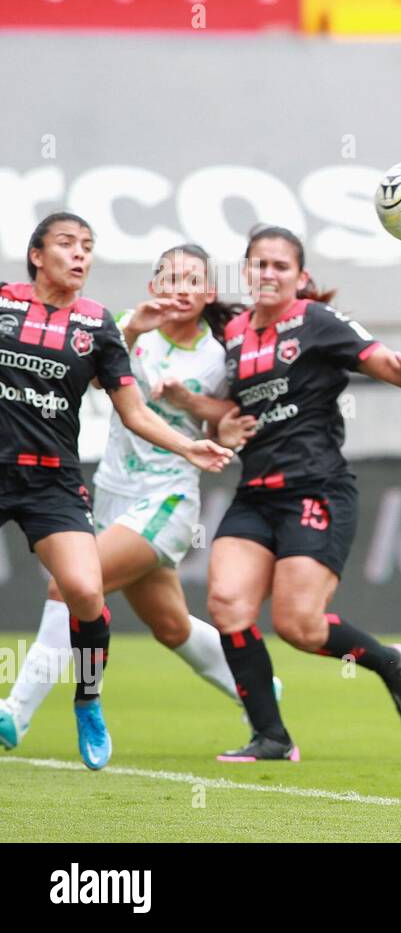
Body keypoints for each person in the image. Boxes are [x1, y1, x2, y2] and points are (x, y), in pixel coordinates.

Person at [0, 244, 263, 753]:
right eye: (169, 279)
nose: (179, 289)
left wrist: (192, 405)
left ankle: (17, 712)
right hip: (111, 494)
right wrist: (134, 329)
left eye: (192, 281)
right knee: (170, 625)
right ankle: (256, 692)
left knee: (70, 586)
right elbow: (89, 373)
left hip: (167, 501)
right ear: (152, 287)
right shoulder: (124, 328)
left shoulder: (217, 355)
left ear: (208, 291)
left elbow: (231, 420)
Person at [207, 225, 401, 762]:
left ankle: (388, 662)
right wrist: (214, 426)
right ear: (246, 271)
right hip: (254, 493)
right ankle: (271, 737)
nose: (268, 273)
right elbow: (223, 411)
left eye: (280, 266)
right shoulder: (234, 332)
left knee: (298, 625)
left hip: (316, 489)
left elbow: (378, 358)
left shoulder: (314, 321)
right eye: (259, 264)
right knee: (226, 603)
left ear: (301, 277)